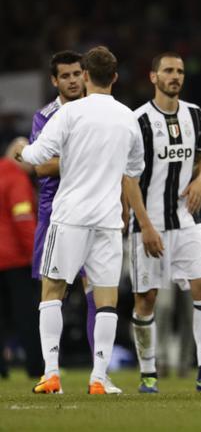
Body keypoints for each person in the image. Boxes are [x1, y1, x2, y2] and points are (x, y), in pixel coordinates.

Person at [14, 46, 145, 395]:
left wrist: (19, 151)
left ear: (85, 76)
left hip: (69, 216)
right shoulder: (128, 117)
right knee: (106, 299)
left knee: (52, 291)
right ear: (115, 77)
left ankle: (52, 373)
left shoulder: (69, 115)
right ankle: (99, 378)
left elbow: (37, 156)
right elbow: (135, 170)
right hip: (107, 219)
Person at [125, 52, 201, 394]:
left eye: (179, 71)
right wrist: (145, 225)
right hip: (149, 223)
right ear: (153, 77)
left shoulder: (195, 114)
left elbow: (200, 160)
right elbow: (129, 178)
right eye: (168, 71)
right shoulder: (139, 121)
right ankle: (148, 372)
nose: (175, 76)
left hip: (186, 221)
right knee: (146, 297)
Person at [28, 51, 97, 353]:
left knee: (98, 291)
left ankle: (100, 369)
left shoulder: (99, 110)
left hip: (95, 210)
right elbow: (41, 166)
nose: (72, 80)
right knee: (52, 291)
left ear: (86, 75)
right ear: (54, 81)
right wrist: (87, 153)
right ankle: (50, 368)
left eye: (76, 74)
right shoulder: (44, 117)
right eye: (65, 76)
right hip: (55, 213)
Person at [0, 142, 40, 377]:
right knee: (27, 317)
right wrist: (37, 255)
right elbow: (23, 218)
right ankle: (36, 367)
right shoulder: (17, 179)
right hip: (15, 259)